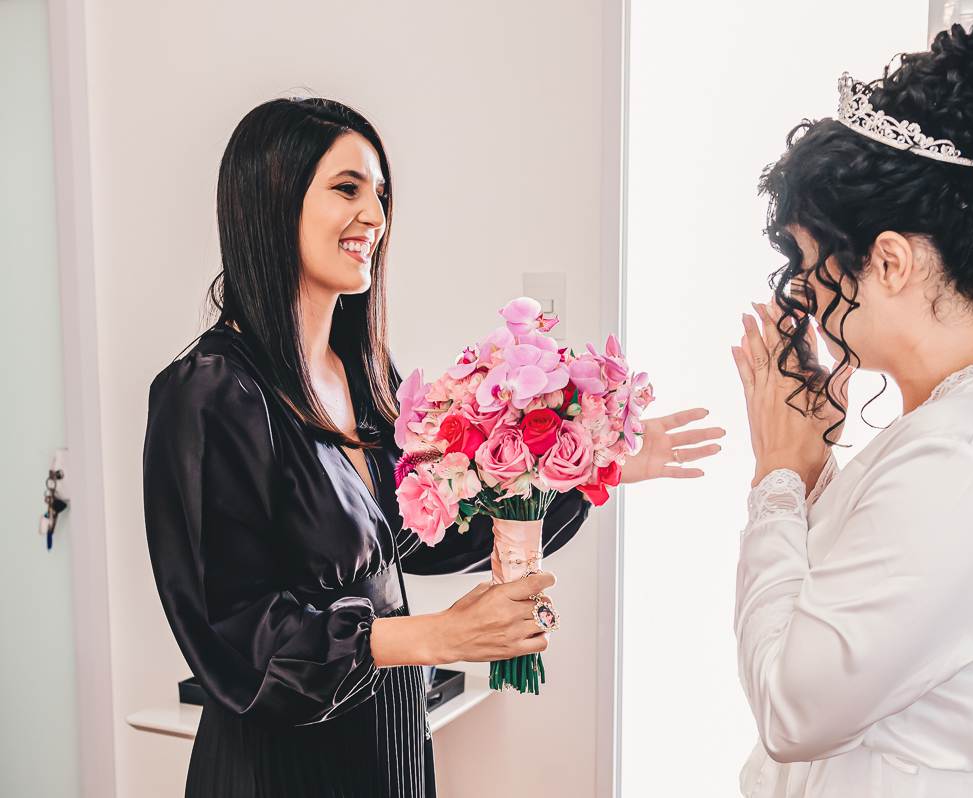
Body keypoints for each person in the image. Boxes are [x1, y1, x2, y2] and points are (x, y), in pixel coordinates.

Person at [142, 97, 724, 798]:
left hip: (387, 737)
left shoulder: (364, 374)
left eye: (381, 194)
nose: (375, 217)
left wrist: (589, 468)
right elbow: (236, 635)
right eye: (348, 189)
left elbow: (420, 538)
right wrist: (437, 638)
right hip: (279, 765)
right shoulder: (208, 392)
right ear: (271, 199)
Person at [731, 24, 973, 798]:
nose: (798, 294)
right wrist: (818, 468)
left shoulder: (961, 457)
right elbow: (887, 601)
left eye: (808, 261)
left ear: (889, 260)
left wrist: (777, 479)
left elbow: (796, 711)